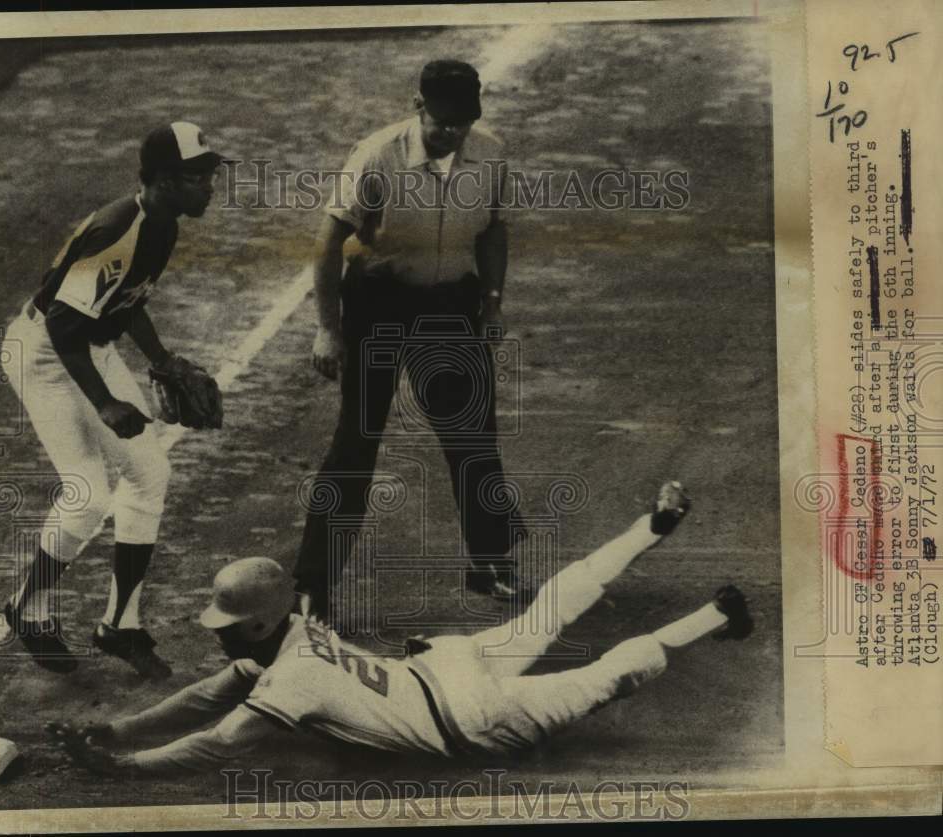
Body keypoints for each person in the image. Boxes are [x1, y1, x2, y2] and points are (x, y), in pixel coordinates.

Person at [48, 482, 755, 773]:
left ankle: (715, 616)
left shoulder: (286, 671)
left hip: (477, 719)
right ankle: (651, 529)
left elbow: (217, 738)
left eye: (228, 623)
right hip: (447, 667)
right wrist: (121, 728)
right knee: (553, 608)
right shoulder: (297, 632)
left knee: (605, 674)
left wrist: (127, 763)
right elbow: (208, 694)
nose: (219, 633)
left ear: (262, 620)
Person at [299, 58, 524, 617]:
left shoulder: (489, 154)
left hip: (451, 305)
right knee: (356, 444)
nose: (452, 134)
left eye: (462, 125)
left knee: (473, 435)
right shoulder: (377, 155)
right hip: (381, 305)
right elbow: (328, 245)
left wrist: (492, 304)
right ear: (418, 105)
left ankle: (490, 561)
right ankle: (314, 588)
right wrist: (329, 328)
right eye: (443, 123)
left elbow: (493, 229)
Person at [0, 122, 224, 678]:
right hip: (45, 356)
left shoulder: (163, 223)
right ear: (168, 181)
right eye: (201, 178)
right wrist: (103, 403)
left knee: (150, 471)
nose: (211, 188)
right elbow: (63, 326)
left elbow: (127, 303)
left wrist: (161, 359)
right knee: (87, 493)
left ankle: (120, 625)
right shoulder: (119, 230)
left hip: (87, 346)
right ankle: (29, 610)